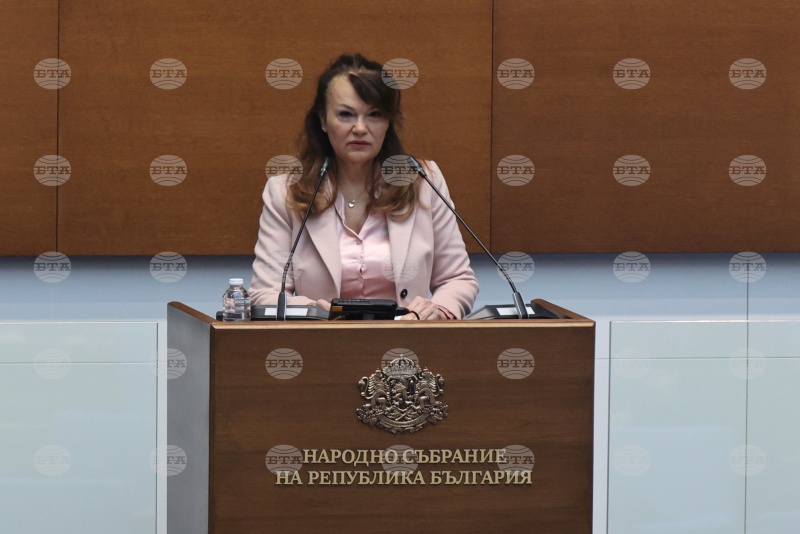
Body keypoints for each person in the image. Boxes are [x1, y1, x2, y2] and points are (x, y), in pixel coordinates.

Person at [249, 53, 478, 319]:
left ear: (388, 122)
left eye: (374, 115)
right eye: (346, 115)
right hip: (320, 339)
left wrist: (435, 312)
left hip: (406, 340)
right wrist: (314, 313)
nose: (360, 128)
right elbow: (265, 294)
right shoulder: (286, 191)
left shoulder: (423, 181)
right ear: (323, 120)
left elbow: (458, 279)